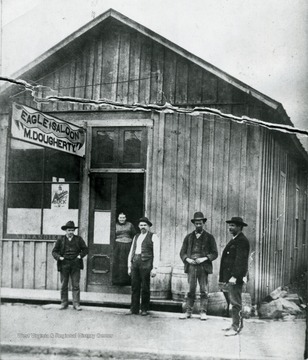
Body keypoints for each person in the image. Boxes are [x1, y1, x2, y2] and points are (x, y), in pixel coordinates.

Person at [179, 212, 218, 320]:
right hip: (191, 266)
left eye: (200, 223)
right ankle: (188, 312)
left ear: (203, 223)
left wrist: (204, 258)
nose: (198, 225)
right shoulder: (188, 237)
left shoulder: (209, 237)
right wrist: (188, 259)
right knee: (191, 290)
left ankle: (203, 312)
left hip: (203, 266)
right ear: (194, 224)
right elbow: (182, 253)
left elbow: (215, 253)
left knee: (204, 290)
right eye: (196, 223)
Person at [219, 216, 250, 336]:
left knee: (235, 302)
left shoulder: (242, 241)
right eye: (230, 225)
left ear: (239, 227)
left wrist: (234, 277)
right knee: (233, 301)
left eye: (233, 226)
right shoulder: (235, 239)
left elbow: (240, 262)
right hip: (230, 277)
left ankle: (236, 326)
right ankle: (235, 324)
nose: (230, 228)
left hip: (235, 277)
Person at [52, 221, 88, 311]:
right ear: (66, 231)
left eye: (72, 230)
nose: (71, 232)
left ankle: (76, 304)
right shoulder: (61, 240)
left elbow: (85, 249)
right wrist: (59, 258)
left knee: (75, 285)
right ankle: (64, 303)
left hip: (75, 264)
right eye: (69, 230)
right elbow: (54, 251)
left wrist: (80, 256)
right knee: (64, 284)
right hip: (64, 264)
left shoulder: (78, 239)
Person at [127, 217, 160, 316]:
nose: (143, 227)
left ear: (149, 226)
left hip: (146, 263)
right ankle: (134, 309)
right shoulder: (136, 236)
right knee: (134, 286)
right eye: (141, 225)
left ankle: (144, 309)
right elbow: (131, 251)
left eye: (145, 225)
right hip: (135, 262)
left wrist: (155, 268)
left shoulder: (153, 236)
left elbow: (156, 253)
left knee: (145, 287)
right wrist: (129, 265)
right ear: (138, 226)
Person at [112, 212, 136, 285]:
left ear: (125, 218)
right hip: (118, 245)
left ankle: (127, 281)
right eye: (120, 218)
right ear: (118, 218)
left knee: (127, 261)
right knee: (118, 262)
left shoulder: (130, 225)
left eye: (123, 218)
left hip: (128, 245)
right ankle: (118, 281)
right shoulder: (114, 225)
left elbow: (134, 234)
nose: (122, 219)